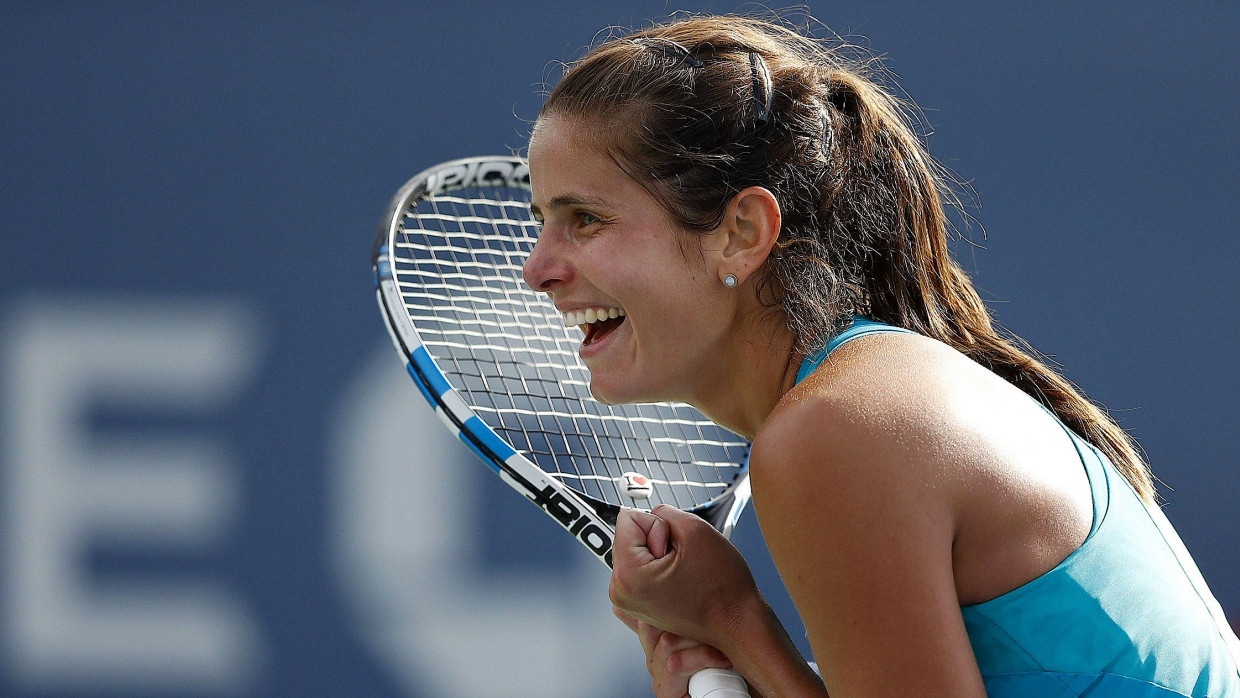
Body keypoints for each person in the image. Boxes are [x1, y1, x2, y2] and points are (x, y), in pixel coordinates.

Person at [521, 14, 1240, 698]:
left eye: (586, 219)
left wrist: (731, 618)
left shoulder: (839, 429)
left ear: (741, 234)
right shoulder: (875, 398)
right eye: (542, 220)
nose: (537, 269)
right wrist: (735, 647)